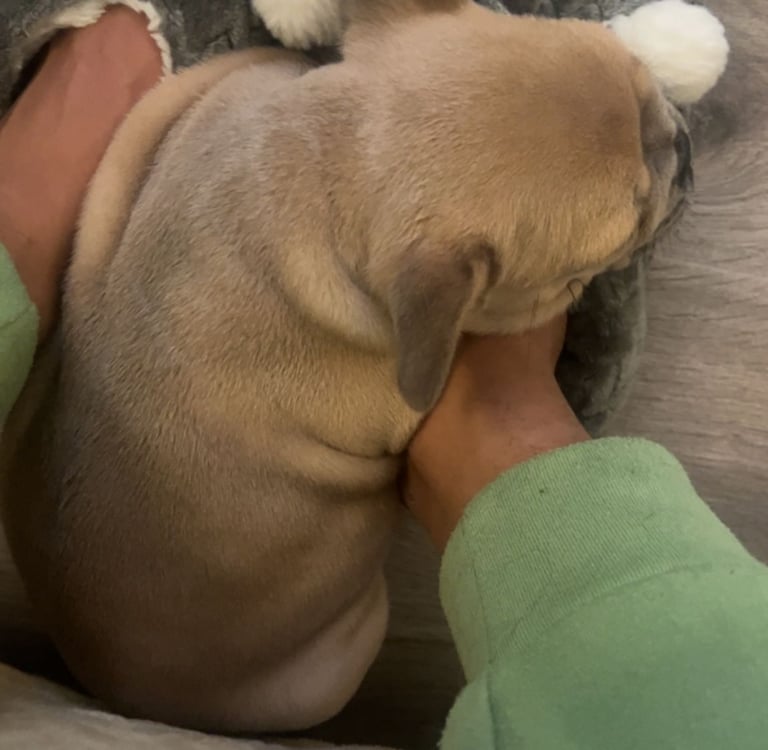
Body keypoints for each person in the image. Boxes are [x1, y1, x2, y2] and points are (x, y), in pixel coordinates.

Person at [1, 7, 768, 749]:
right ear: (436, 306)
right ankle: (487, 428)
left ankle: (20, 230)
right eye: (638, 203)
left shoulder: (236, 100)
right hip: (244, 673)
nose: (672, 145)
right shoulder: (417, 315)